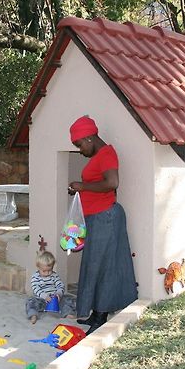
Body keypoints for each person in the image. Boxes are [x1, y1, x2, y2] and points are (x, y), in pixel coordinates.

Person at [68, 115, 138, 335]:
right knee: (96, 265)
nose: (80, 150)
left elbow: (112, 183)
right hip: (97, 218)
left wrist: (83, 185)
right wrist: (81, 188)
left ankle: (101, 316)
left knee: (104, 267)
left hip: (105, 217)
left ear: (89, 138)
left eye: (79, 145)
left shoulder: (107, 154)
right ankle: (96, 314)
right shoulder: (100, 155)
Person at [26, 251, 76, 324]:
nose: (47, 273)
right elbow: (36, 289)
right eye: (44, 271)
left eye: (49, 270)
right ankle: (33, 315)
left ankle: (68, 314)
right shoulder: (35, 277)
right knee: (31, 302)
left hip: (55, 299)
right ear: (38, 267)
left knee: (67, 300)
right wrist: (45, 296)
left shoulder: (54, 276)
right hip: (41, 300)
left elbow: (60, 285)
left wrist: (58, 294)